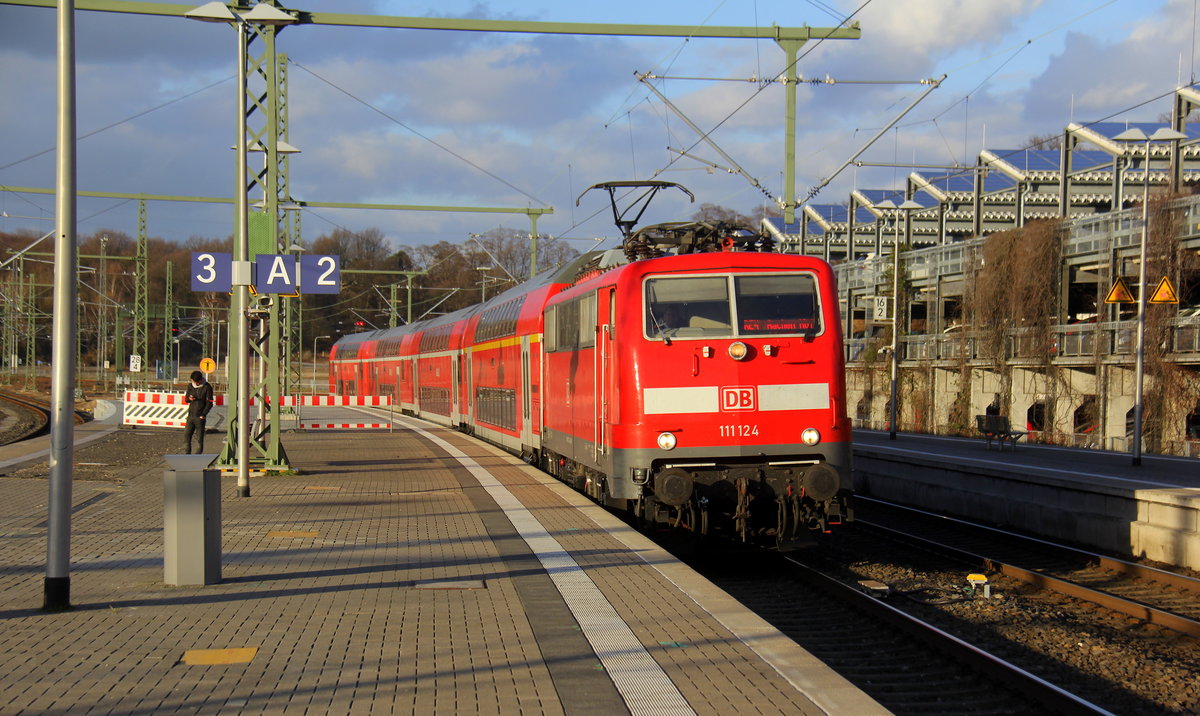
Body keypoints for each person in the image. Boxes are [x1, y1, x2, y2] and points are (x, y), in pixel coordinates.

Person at [183, 370, 215, 454]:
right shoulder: (190, 386)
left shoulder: (207, 387)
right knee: (186, 436)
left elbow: (210, 403)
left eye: (197, 382)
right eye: (194, 382)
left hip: (200, 416)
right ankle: (187, 455)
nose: (195, 384)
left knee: (199, 438)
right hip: (191, 415)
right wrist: (189, 399)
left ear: (201, 380)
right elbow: (186, 399)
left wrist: (203, 414)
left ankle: (197, 457)